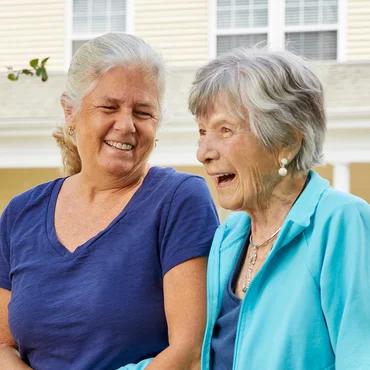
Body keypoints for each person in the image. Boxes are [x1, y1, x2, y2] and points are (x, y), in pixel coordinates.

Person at [0, 33, 219, 370]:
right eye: (109, 107)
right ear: (70, 112)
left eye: (143, 112)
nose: (126, 125)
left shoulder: (179, 200)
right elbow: (3, 345)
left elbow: (189, 353)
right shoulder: (20, 214)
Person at [188, 47, 370, 370]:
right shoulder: (228, 237)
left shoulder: (339, 223)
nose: (203, 152)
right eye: (202, 132)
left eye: (224, 130)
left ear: (286, 142)